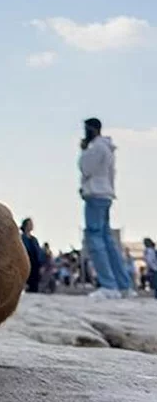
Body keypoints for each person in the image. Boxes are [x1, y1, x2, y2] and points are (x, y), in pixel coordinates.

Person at [79, 117, 132, 298]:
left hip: (95, 194)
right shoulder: (108, 149)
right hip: (106, 194)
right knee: (108, 241)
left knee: (95, 239)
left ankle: (108, 285)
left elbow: (85, 168)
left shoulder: (96, 148)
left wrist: (84, 150)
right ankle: (123, 284)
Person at [19, 218, 44, 293]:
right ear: (25, 225)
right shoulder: (21, 238)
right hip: (25, 262)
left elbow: (38, 252)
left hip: (35, 265)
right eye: (30, 224)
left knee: (34, 286)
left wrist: (41, 264)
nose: (32, 225)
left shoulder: (34, 239)